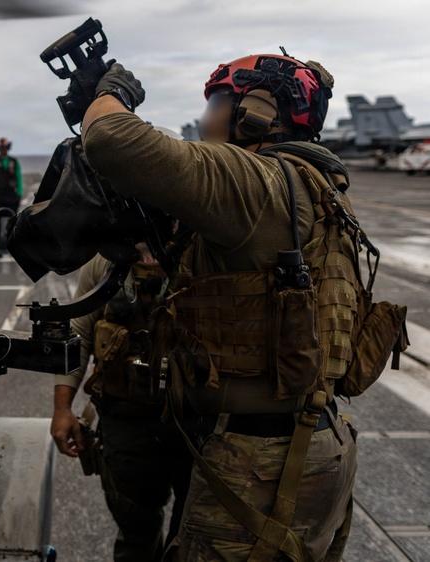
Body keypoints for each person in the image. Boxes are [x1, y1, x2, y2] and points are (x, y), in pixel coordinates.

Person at [78, 55, 367, 560]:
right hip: (317, 442)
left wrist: (112, 93)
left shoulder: (256, 182)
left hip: (261, 461)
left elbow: (110, 139)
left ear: (255, 112)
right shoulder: (317, 187)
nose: (206, 117)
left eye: (216, 103)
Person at [51, 244, 192, 561]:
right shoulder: (105, 259)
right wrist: (62, 408)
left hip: (192, 425)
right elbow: (80, 332)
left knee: (191, 535)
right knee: (135, 531)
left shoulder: (202, 248)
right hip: (125, 420)